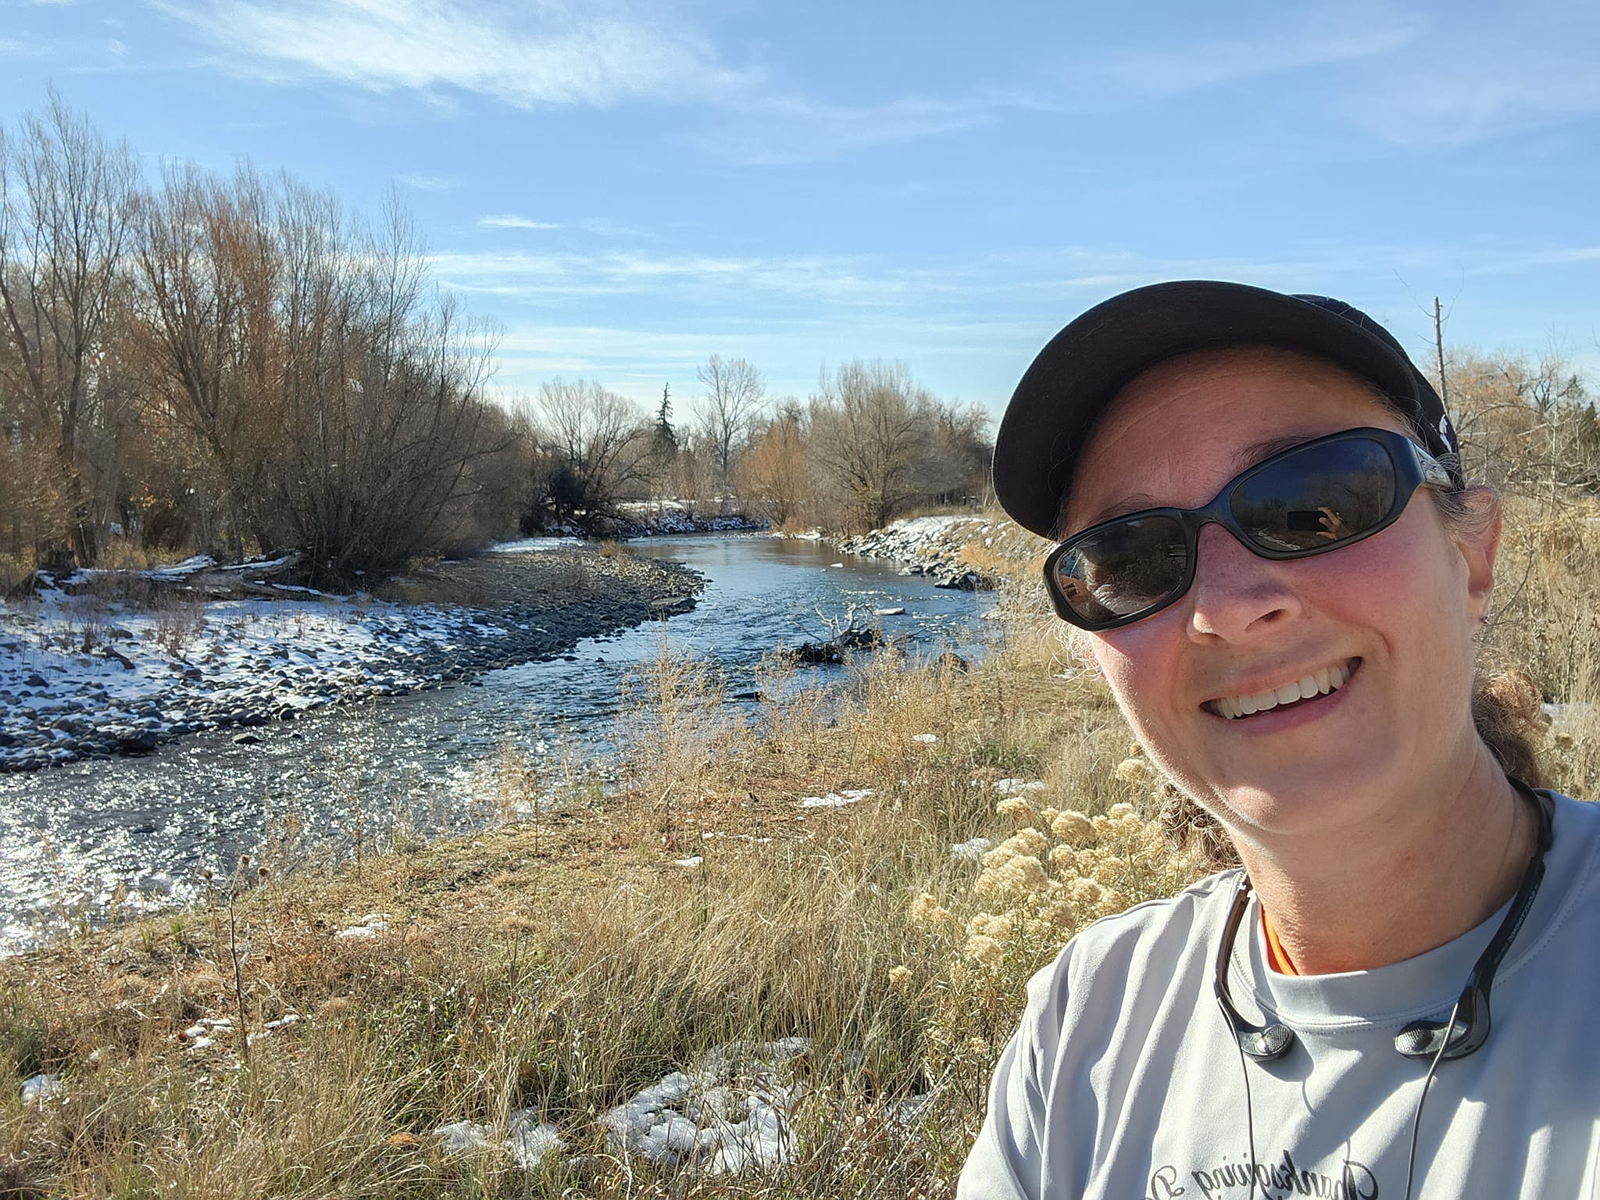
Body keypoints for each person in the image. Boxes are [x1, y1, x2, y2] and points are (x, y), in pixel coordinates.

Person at [959, 281, 1600, 1199]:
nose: (1228, 607)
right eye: (1133, 557)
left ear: (1472, 557)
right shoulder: (1087, 1026)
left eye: (1313, 503)